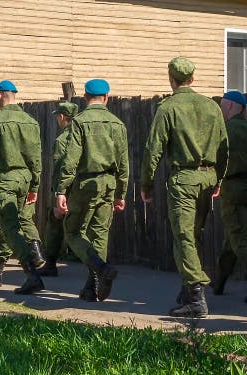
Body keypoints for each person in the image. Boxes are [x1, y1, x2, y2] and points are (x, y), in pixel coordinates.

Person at [142, 57, 228, 318]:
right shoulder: (212, 107)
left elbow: (152, 150)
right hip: (208, 178)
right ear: (192, 78)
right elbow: (224, 146)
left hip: (184, 179)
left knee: (183, 236)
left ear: (171, 79)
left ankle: (195, 296)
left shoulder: (168, 108)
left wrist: (146, 183)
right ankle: (187, 288)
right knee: (195, 234)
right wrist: (219, 179)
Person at [56, 80, 128, 302]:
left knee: (73, 232)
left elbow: (71, 160)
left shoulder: (79, 123)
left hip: (85, 184)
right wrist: (121, 194)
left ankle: (99, 268)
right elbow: (124, 163)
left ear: (85, 98)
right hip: (108, 184)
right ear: (107, 97)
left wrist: (61, 190)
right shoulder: (117, 124)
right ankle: (93, 286)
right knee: (100, 234)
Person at [0, 80, 44, 294]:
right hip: (25, 179)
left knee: (10, 227)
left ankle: (31, 273)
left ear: (0, 95)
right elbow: (36, 158)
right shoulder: (30, 121)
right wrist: (35, 185)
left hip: (6, 179)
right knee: (9, 222)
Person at [211, 90, 247, 302]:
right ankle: (220, 282)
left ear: (232, 107)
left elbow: (216, 158)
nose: (221, 110)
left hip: (233, 187)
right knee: (232, 238)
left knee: (238, 237)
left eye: (223, 106)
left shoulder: (226, 130)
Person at [39, 101, 78, 277]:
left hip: (64, 187)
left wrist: (57, 193)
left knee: (54, 225)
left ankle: (51, 263)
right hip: (80, 187)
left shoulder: (62, 140)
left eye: (57, 116)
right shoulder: (81, 135)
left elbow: (59, 168)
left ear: (62, 117)